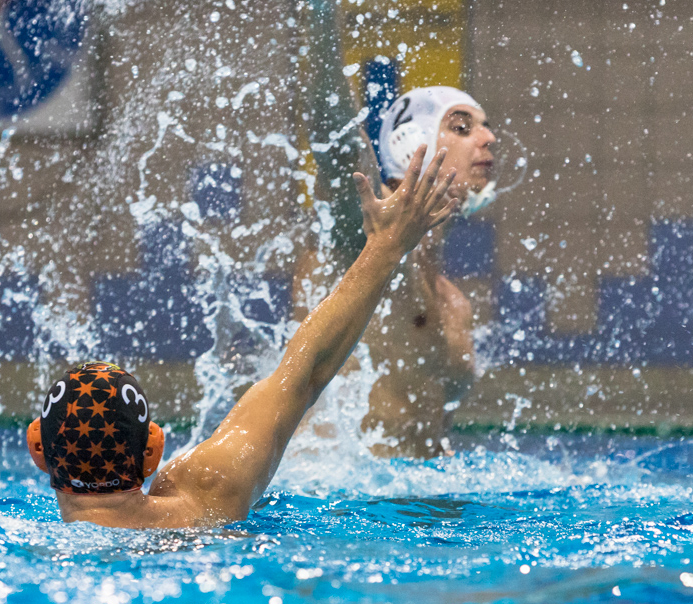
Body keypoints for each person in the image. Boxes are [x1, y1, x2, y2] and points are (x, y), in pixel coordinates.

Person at [25, 146, 458, 528]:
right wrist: (387, 246)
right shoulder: (209, 495)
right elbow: (302, 374)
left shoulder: (25, 543)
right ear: (152, 451)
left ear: (38, 449)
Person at [298, 0, 497, 458]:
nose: (489, 138)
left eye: (486, 127)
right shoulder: (370, 239)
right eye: (463, 127)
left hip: (414, 504)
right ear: (413, 145)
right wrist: (323, 14)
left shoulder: (453, 301)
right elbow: (336, 145)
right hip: (341, 511)